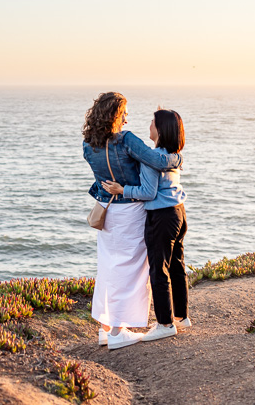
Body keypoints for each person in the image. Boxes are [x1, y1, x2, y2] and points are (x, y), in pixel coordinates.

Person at [82, 92, 182, 350]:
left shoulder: (87, 145)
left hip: (107, 212)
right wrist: (178, 159)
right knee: (131, 269)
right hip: (130, 210)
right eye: (124, 112)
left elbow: (99, 178)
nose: (127, 117)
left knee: (108, 266)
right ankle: (118, 331)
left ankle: (105, 330)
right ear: (115, 114)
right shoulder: (126, 140)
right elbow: (158, 160)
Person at [103, 108, 189, 343]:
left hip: (161, 216)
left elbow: (148, 193)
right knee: (176, 265)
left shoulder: (153, 158)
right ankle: (181, 316)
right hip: (178, 213)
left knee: (158, 269)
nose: (149, 125)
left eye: (152, 122)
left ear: (160, 129)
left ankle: (165, 324)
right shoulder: (172, 155)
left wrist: (122, 190)